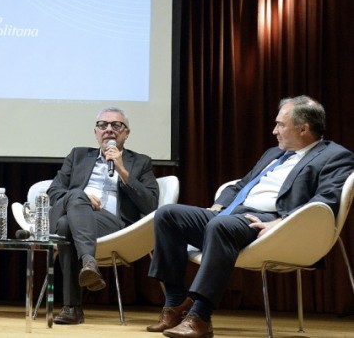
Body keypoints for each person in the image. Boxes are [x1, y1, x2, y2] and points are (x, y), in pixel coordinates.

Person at [147, 96, 354, 338]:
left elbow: (325, 199)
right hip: (232, 213)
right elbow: (240, 185)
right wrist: (219, 204)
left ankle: (200, 316)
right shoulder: (274, 153)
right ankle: (174, 303)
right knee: (167, 214)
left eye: (280, 125)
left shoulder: (335, 156)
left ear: (303, 128)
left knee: (220, 226)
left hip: (268, 222)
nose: (274, 130)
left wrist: (281, 222)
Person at [46, 107, 159, 325]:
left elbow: (150, 203)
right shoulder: (77, 155)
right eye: (103, 125)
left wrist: (122, 170)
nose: (109, 130)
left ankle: (72, 308)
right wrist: (81, 197)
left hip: (116, 225)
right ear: (95, 132)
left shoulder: (140, 162)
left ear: (126, 133)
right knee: (70, 213)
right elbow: (54, 192)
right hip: (78, 216)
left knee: (63, 224)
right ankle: (89, 263)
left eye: (116, 125)